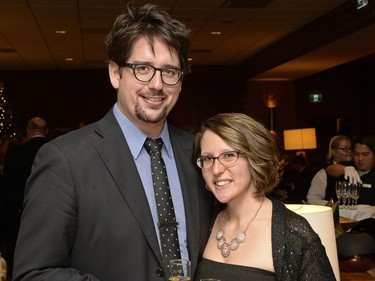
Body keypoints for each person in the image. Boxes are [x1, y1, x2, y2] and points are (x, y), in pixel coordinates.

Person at [12, 4, 212, 281]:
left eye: (169, 71)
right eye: (143, 68)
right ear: (115, 73)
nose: (156, 84)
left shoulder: (197, 153)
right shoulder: (65, 159)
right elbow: (34, 273)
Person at [192, 113, 335, 281]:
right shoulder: (204, 222)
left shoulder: (293, 234)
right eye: (208, 158)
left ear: (255, 158)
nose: (216, 170)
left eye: (228, 155)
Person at [1, 117, 49, 276]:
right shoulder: (55, 150)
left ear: (28, 130)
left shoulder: (15, 153)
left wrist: (21, 207)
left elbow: (7, 186)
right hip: (49, 218)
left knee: (19, 261)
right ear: (46, 131)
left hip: (18, 219)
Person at [307, 135, 358, 205]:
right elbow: (312, 199)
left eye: (350, 148)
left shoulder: (356, 169)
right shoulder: (323, 174)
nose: (348, 152)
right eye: (344, 149)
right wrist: (335, 206)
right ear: (333, 152)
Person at [326, 135, 375, 206]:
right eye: (356, 154)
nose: (360, 158)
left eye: (365, 154)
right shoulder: (349, 166)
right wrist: (345, 169)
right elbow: (329, 169)